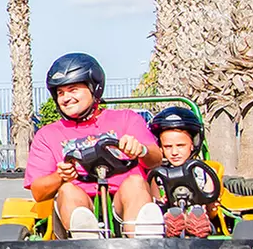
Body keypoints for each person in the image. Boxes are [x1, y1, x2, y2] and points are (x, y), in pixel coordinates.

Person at [24, 52, 164, 237]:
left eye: (73, 90)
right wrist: (60, 176)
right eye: (60, 93)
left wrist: (141, 150)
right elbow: (38, 192)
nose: (66, 98)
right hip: (79, 201)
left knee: (135, 183)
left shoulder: (126, 119)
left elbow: (156, 159)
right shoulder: (47, 135)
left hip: (124, 200)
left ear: (93, 89)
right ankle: (87, 237)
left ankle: (143, 240)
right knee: (67, 190)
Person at [148, 105, 216, 238]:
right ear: (160, 148)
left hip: (200, 215)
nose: (174, 152)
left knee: (198, 213)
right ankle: (174, 224)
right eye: (168, 147)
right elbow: (155, 202)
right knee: (169, 215)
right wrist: (162, 200)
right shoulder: (157, 175)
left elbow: (211, 203)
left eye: (180, 146)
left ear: (193, 144)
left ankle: (196, 223)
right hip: (167, 216)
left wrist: (207, 202)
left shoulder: (203, 171)